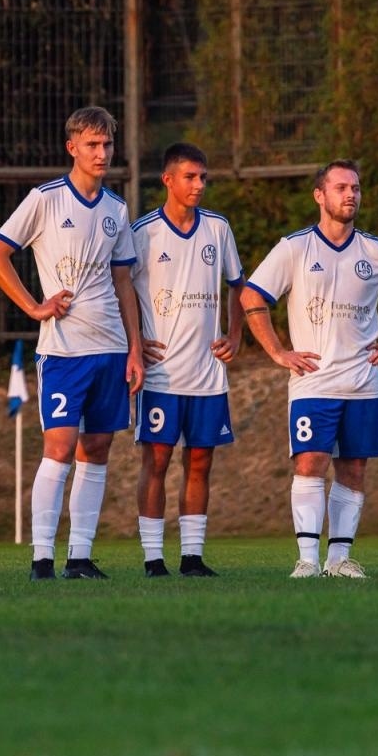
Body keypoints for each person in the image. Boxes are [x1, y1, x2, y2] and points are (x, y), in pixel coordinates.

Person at [0, 106, 144, 581]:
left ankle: (79, 557)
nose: (102, 153)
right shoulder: (45, 199)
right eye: (92, 145)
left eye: (107, 144)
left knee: (96, 449)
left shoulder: (116, 208)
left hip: (110, 348)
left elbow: (124, 283)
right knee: (59, 445)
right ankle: (41, 559)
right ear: (72, 147)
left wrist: (134, 349)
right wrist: (33, 306)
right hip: (63, 351)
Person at [240, 159, 378, 578]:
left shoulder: (377, 251)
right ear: (320, 196)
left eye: (355, 187)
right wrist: (278, 352)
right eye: (341, 187)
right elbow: (252, 296)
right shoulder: (295, 247)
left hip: (363, 382)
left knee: (355, 467)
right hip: (314, 382)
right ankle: (306, 560)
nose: (350, 194)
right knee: (311, 462)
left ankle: (339, 561)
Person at [129, 143, 245, 577]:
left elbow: (238, 284)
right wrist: (134, 340)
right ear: (168, 180)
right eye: (190, 177)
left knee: (200, 460)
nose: (199, 185)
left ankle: (192, 557)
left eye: (203, 178)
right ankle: (153, 558)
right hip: (161, 373)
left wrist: (234, 334)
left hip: (207, 373)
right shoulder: (143, 233)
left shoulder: (217, 229)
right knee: (156, 460)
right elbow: (119, 290)